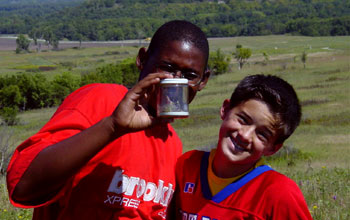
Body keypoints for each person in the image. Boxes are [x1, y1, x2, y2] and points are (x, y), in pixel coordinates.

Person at [6, 20, 210, 220]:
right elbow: (23, 186)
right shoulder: (100, 99)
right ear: (142, 60)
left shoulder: (173, 144)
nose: (175, 80)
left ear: (203, 81)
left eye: (189, 75)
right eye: (166, 67)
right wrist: (112, 126)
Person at [172, 74, 313, 219]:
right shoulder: (187, 166)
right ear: (225, 109)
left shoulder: (278, 193)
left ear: (273, 148)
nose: (245, 135)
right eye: (243, 119)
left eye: (262, 134)